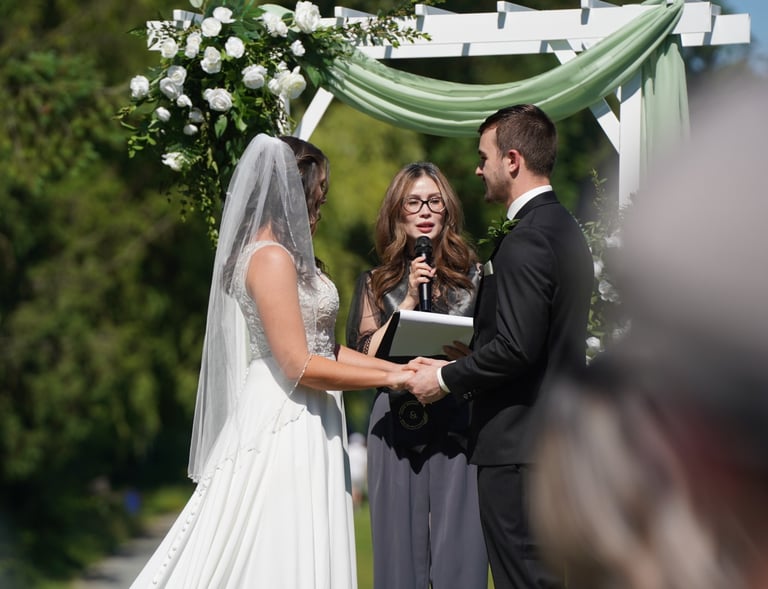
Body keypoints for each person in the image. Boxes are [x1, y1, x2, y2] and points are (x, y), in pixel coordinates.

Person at [130, 134, 411, 589]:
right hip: (287, 416)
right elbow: (299, 364)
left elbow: (324, 348)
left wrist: (398, 370)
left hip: (313, 410)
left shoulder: (290, 259)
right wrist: (395, 376)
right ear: (292, 196)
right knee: (277, 544)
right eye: (317, 195)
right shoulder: (271, 260)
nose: (320, 206)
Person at [406, 105, 594, 589]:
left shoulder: (527, 239)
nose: (477, 168)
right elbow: (536, 339)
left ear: (512, 160)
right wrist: (474, 356)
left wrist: (443, 378)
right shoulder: (565, 229)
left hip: (518, 450)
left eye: (483, 157)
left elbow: (516, 347)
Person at [346, 162, 488, 589]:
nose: (424, 211)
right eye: (413, 202)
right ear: (397, 213)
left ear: (447, 212)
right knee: (397, 560)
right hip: (395, 422)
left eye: (434, 201)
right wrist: (407, 298)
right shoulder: (374, 283)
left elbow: (494, 352)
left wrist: (464, 361)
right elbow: (360, 355)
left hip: (459, 423)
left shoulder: (475, 277)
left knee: (460, 559)